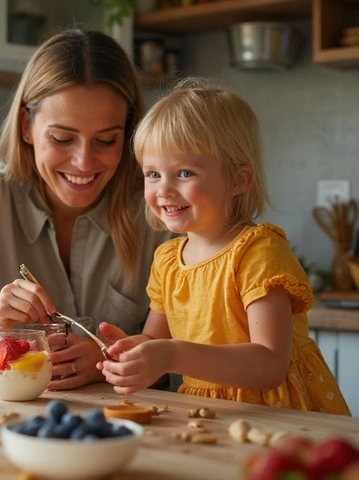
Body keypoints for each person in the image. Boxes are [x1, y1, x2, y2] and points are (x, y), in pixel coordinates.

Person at [0, 29, 174, 391]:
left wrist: (107, 361)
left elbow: (195, 349)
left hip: (133, 425)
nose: (84, 162)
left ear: (130, 132)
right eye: (62, 138)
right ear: (27, 126)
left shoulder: (159, 206)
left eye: (106, 140)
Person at [98, 78, 351, 415]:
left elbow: (270, 365)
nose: (164, 189)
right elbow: (156, 341)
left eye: (184, 172)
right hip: (208, 410)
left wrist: (170, 355)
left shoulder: (258, 252)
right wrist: (136, 352)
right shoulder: (168, 260)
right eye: (153, 174)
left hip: (280, 413)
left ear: (238, 180)